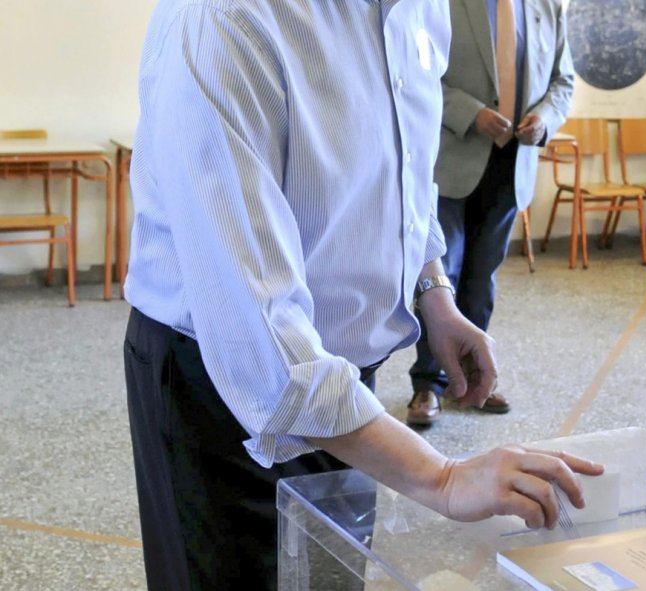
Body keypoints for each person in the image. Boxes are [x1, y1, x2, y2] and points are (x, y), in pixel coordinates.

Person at [122, 1, 603, 589]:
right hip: (222, 388)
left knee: (331, 575)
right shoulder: (225, 18)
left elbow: (407, 171)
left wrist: (433, 292)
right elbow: (261, 341)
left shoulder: (421, 8)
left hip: (346, 389)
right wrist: (442, 477)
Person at [405, 0, 574, 426]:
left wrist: (546, 119)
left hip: (513, 162)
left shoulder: (547, 8)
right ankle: (429, 384)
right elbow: (415, 70)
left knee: (483, 278)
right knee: (444, 273)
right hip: (451, 161)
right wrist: (471, 113)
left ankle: (476, 377)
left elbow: (563, 81)